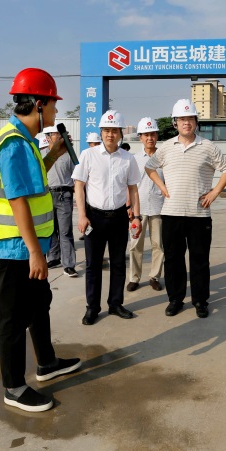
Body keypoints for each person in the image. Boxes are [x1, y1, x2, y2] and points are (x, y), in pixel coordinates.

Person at [0, 67, 81, 413]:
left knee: (39, 303)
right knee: (11, 317)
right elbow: (17, 199)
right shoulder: (13, 143)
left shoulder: (24, 141)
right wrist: (36, 252)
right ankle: (14, 387)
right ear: (39, 104)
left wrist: (56, 153)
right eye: (53, 104)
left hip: (27, 245)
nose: (55, 111)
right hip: (15, 247)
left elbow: (32, 180)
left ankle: (47, 363)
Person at [145, 99, 226, 318]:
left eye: (190, 119)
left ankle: (200, 300)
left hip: (199, 214)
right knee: (173, 259)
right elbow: (150, 167)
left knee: (199, 260)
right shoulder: (166, 147)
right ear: (175, 122)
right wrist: (162, 187)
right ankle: (175, 299)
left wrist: (214, 192)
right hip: (171, 213)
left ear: (196, 122)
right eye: (182, 119)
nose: (186, 123)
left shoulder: (208, 146)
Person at [73, 110, 141, 325]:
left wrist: (136, 217)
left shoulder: (128, 159)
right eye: (106, 130)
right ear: (101, 132)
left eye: (114, 131)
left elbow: (133, 189)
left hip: (119, 217)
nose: (110, 135)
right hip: (94, 217)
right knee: (93, 265)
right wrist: (82, 215)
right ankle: (92, 307)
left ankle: (116, 303)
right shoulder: (88, 155)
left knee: (118, 263)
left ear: (121, 133)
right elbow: (79, 186)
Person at [127, 117, 165, 292]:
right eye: (146, 135)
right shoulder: (134, 159)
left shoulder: (164, 157)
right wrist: (129, 206)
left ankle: (154, 276)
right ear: (140, 137)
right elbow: (129, 185)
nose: (150, 138)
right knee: (135, 245)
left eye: (153, 134)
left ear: (157, 136)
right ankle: (134, 278)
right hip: (138, 210)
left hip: (159, 207)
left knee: (158, 245)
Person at [42, 126, 78, 278]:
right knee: (50, 230)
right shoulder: (42, 154)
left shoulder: (69, 154)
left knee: (65, 231)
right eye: (55, 134)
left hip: (64, 195)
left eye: (60, 133)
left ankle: (69, 265)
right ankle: (53, 257)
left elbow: (76, 175)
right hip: (46, 195)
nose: (59, 136)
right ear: (48, 137)